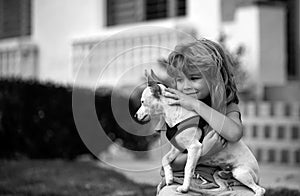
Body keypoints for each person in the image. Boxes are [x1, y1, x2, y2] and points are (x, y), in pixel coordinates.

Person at [156, 39, 256, 196]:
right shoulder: (175, 113)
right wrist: (204, 154)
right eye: (179, 80)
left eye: (194, 78)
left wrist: (196, 105)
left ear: (215, 78)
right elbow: (170, 164)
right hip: (189, 180)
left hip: (226, 182)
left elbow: (234, 133)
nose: (185, 86)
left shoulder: (226, 107)